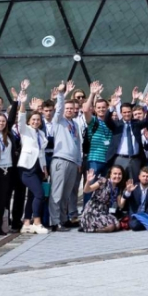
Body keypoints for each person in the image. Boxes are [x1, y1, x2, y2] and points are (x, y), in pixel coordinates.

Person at [47, 82, 84, 230]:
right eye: (67, 109)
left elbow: (78, 143)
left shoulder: (75, 124)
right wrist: (61, 94)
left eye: (71, 109)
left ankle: (64, 218)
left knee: (66, 194)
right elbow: (59, 108)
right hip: (60, 160)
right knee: (57, 193)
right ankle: (55, 221)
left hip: (73, 162)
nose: (69, 111)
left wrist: (79, 161)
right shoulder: (58, 121)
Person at [13, 90, 49, 235]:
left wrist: (45, 168)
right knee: (39, 194)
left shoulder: (41, 134)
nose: (35, 122)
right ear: (29, 121)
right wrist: (22, 102)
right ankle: (37, 222)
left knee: (33, 195)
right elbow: (21, 118)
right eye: (33, 119)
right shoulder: (25, 130)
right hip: (26, 168)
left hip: (38, 168)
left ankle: (26, 222)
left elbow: (41, 153)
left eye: (38, 120)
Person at [78, 165, 125, 233]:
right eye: (115, 173)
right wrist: (88, 181)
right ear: (110, 174)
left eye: (119, 174)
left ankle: (94, 225)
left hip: (104, 212)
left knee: (117, 225)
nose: (117, 176)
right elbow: (87, 190)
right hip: (92, 211)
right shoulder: (103, 181)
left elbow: (120, 205)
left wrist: (127, 193)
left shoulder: (118, 187)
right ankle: (89, 228)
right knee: (111, 227)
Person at [123, 166, 148, 232]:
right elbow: (125, 196)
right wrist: (128, 191)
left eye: (147, 176)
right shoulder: (134, 187)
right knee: (134, 225)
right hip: (136, 215)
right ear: (139, 177)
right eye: (143, 176)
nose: (145, 178)